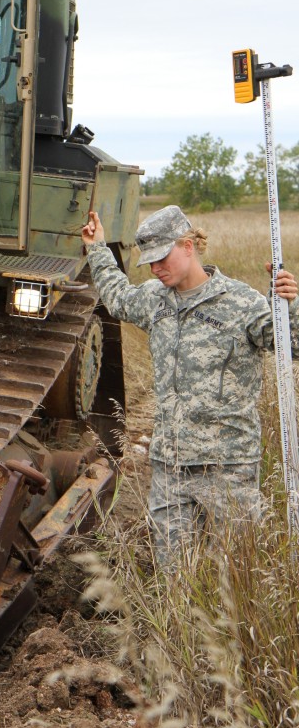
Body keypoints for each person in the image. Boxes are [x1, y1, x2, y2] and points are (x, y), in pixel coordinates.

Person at [81, 204, 299, 566]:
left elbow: (291, 344)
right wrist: (97, 247)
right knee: (174, 570)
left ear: (188, 245)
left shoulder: (243, 303)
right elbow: (117, 297)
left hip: (227, 464)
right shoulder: (155, 299)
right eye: (149, 262)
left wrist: (288, 306)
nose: (155, 268)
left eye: (162, 257)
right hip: (170, 463)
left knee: (239, 567)